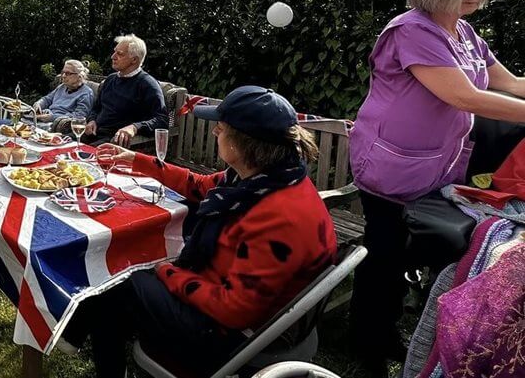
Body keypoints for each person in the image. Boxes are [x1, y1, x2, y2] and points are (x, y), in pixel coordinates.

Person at [64, 86, 337, 377]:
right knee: (125, 281)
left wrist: (168, 271)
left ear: (242, 143)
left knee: (116, 283)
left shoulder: (276, 216)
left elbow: (233, 310)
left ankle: (82, 339)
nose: (214, 132)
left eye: (221, 128)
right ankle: (82, 332)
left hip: (234, 337)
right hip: (253, 307)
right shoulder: (270, 179)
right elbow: (198, 185)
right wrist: (136, 160)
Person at [347, 0, 525, 369]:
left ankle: (391, 332)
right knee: (385, 254)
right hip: (393, 165)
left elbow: (513, 84)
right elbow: (464, 96)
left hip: (438, 166)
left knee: (411, 251)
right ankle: (367, 345)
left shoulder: (466, 34)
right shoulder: (411, 30)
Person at [82, 34, 167, 146]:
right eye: (114, 52)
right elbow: (96, 108)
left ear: (134, 60)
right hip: (92, 134)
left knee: (76, 154)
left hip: (114, 141)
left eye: (120, 54)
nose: (113, 56)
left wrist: (135, 127)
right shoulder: (110, 79)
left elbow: (162, 120)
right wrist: (92, 120)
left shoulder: (147, 84)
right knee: (62, 143)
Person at [32, 59, 95, 124]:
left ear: (79, 76)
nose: (63, 76)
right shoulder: (62, 87)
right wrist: (38, 104)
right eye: (63, 72)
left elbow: (79, 117)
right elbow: (47, 99)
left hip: (60, 125)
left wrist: (52, 117)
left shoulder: (86, 93)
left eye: (68, 73)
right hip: (45, 118)